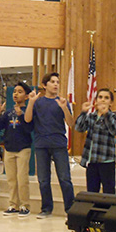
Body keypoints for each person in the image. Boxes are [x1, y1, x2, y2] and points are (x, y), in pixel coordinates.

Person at [24, 72, 75, 219]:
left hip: (58, 144)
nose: (56, 84)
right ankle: (46, 208)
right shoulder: (38, 102)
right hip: (41, 145)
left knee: (65, 178)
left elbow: (71, 124)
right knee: (43, 179)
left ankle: (70, 209)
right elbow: (27, 119)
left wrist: (65, 108)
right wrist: (31, 102)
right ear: (44, 85)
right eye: (52, 82)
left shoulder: (62, 102)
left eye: (57, 82)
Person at [0, 82, 34, 217]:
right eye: (15, 91)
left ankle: (24, 205)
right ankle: (13, 204)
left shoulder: (29, 110)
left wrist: (21, 116)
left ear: (27, 96)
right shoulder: (9, 112)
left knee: (22, 178)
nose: (16, 94)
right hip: (9, 148)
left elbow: (30, 129)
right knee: (11, 179)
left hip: (23, 148)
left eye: (20, 92)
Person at [75, 88, 116, 194]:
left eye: (106, 98)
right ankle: (94, 211)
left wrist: (106, 115)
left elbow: (115, 130)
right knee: (92, 191)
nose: (103, 100)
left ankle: (107, 210)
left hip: (107, 160)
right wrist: (83, 112)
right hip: (92, 160)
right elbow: (79, 128)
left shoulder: (113, 117)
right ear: (96, 100)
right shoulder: (91, 117)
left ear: (111, 103)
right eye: (100, 97)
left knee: (108, 191)